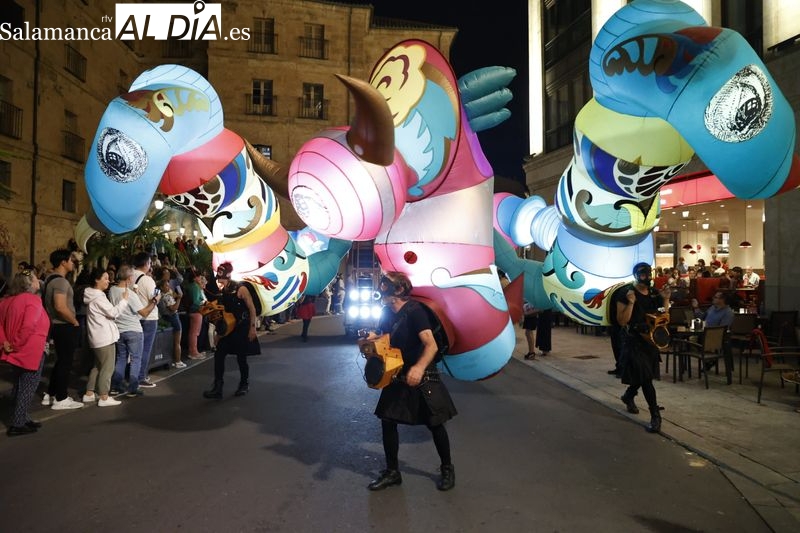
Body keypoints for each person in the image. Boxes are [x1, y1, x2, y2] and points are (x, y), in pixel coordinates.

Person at [366, 272, 457, 492]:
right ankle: (392, 472)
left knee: (435, 424)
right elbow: (384, 338)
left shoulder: (416, 312)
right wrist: (371, 341)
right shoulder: (387, 312)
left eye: (386, 285)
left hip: (422, 375)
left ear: (398, 290)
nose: (382, 288)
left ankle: (447, 468)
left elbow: (431, 345)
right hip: (396, 373)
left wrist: (418, 367)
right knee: (387, 420)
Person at [615, 263, 671, 433]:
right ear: (636, 275)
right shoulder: (626, 294)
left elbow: (663, 315)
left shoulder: (654, 293)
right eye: (642, 274)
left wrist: (665, 299)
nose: (645, 277)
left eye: (648, 274)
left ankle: (629, 395)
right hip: (634, 340)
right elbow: (622, 321)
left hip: (651, 339)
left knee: (644, 374)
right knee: (646, 378)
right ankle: (655, 416)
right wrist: (631, 303)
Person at [0, 271, 50, 436]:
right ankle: (18, 422)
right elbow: (29, 325)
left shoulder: (5, 301)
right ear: (30, 284)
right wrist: (15, 344)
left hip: (14, 349)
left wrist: (5, 342)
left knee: (20, 384)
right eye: (36, 279)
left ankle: (23, 416)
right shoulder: (33, 300)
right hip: (30, 348)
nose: (38, 282)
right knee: (28, 386)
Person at [203, 262, 260, 399]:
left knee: (241, 358)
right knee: (219, 355)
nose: (219, 282)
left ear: (228, 276)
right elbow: (223, 313)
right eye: (218, 279)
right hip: (228, 328)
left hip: (242, 327)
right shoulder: (223, 290)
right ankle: (218, 387)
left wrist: (253, 328)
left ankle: (244, 384)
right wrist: (219, 333)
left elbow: (252, 308)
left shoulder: (241, 289)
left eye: (221, 279)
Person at [42, 248, 84, 410]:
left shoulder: (50, 279)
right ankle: (61, 398)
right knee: (65, 363)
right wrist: (74, 321)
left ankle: (52, 394)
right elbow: (60, 306)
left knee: (61, 362)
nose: (73, 263)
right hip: (64, 326)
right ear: (63, 262)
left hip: (57, 326)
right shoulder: (60, 282)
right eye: (71, 260)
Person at [82, 268, 129, 407]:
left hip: (97, 336)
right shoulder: (99, 297)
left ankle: (89, 393)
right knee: (107, 368)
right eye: (105, 278)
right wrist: (124, 300)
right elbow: (114, 312)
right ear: (97, 280)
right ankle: (104, 396)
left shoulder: (92, 295)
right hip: (104, 337)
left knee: (97, 366)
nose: (108, 281)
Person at [109, 266, 157, 398]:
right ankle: (133, 388)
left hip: (119, 330)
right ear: (129, 278)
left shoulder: (112, 290)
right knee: (136, 359)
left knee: (121, 358)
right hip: (134, 330)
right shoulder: (129, 295)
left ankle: (115, 386)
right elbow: (144, 313)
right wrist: (154, 301)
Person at [131, 252, 160, 388]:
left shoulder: (129, 276)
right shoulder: (147, 280)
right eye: (150, 262)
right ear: (146, 263)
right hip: (148, 317)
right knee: (145, 349)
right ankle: (141, 376)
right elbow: (153, 297)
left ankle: (132, 375)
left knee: (134, 350)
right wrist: (157, 297)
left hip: (133, 317)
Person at [157, 278, 184, 368]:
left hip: (166, 318)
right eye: (166, 285)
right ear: (161, 287)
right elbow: (173, 308)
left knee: (171, 341)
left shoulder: (160, 296)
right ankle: (178, 361)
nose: (168, 287)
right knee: (177, 341)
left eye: (168, 285)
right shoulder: (166, 297)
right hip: (173, 317)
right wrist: (179, 299)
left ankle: (172, 360)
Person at [184, 269, 207, 359]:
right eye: (199, 277)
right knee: (194, 333)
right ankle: (193, 352)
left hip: (193, 311)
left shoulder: (190, 286)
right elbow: (196, 301)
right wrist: (204, 304)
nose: (200, 278)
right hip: (196, 311)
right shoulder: (195, 287)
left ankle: (194, 351)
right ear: (194, 278)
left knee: (193, 332)